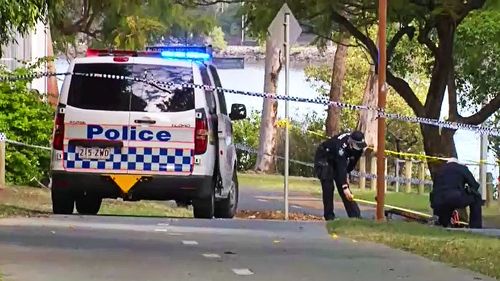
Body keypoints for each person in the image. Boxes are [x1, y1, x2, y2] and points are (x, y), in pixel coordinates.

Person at [313, 131, 367, 220]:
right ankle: (329, 216)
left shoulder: (359, 148)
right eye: (357, 145)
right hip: (324, 156)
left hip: (337, 160)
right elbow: (341, 167)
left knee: (344, 189)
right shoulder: (341, 148)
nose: (359, 148)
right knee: (328, 186)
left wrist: (346, 180)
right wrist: (345, 186)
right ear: (351, 142)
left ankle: (355, 216)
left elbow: (351, 164)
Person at [430, 157, 483, 228]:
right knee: (476, 197)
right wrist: (467, 189)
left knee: (446, 202)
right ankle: (475, 226)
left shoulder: (439, 170)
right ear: (457, 162)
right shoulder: (462, 168)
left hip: (438, 200)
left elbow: (436, 187)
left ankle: (443, 223)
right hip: (455, 197)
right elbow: (474, 185)